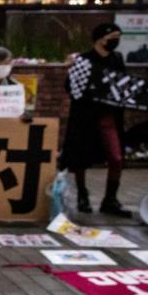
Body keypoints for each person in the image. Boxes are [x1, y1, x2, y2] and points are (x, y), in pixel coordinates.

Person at [60, 23, 130, 216]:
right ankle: (82, 194)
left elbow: (124, 83)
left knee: (116, 157)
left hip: (109, 116)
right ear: (101, 38)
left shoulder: (117, 59)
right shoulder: (83, 59)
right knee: (80, 157)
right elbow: (71, 88)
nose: (115, 41)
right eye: (112, 38)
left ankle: (110, 198)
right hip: (85, 116)